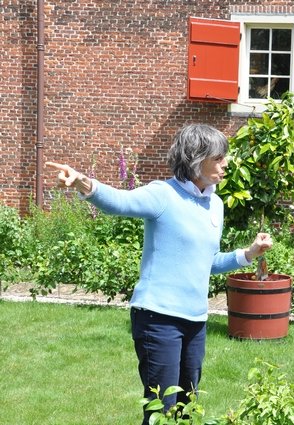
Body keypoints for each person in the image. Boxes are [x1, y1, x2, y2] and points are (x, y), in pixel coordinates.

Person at [46, 123, 273, 425]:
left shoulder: (215, 204)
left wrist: (249, 254)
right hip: (158, 318)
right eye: (219, 157)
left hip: (196, 322)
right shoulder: (163, 195)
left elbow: (207, 262)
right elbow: (120, 202)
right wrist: (82, 182)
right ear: (196, 159)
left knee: (186, 405)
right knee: (160, 409)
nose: (226, 163)